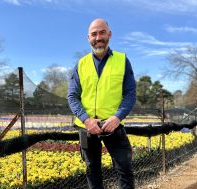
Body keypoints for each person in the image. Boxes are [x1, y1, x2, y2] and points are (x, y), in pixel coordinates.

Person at [68, 18, 136, 189]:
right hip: (87, 127)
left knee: (124, 169)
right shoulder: (81, 64)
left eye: (102, 32)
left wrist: (117, 117)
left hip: (113, 124)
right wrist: (86, 120)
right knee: (92, 169)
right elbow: (72, 96)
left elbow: (130, 94)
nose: (98, 37)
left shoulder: (122, 60)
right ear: (88, 38)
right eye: (94, 34)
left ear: (109, 34)